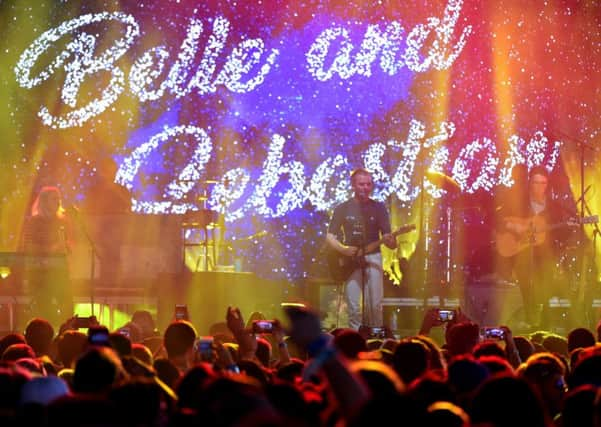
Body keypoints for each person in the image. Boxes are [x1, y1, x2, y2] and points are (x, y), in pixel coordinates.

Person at [494, 165, 574, 327]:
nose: (539, 187)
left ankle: (542, 324)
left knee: (546, 288)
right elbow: (497, 218)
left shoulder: (554, 208)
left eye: (543, 183)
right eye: (536, 183)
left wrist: (567, 227)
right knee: (524, 288)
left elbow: (561, 236)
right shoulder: (518, 202)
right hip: (520, 255)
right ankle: (527, 320)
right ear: (530, 183)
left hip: (544, 259)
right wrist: (515, 227)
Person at [326, 168, 397, 330]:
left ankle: (375, 340)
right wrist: (343, 250)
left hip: (373, 257)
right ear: (353, 186)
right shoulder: (342, 208)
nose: (365, 187)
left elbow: (389, 238)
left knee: (374, 304)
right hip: (351, 259)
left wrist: (392, 241)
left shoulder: (378, 208)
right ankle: (355, 341)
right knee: (354, 306)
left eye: (368, 184)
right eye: (361, 184)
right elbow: (330, 236)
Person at [20, 186, 74, 328]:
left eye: (59, 199)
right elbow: (29, 248)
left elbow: (69, 245)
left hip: (60, 271)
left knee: (68, 305)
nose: (58, 202)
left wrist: (67, 246)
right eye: (54, 199)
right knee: (46, 310)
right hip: (41, 274)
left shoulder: (62, 221)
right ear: (44, 202)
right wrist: (52, 249)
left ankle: (67, 333)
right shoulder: (34, 222)